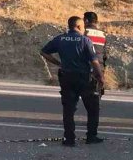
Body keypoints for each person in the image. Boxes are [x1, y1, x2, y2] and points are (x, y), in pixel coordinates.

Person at [39, 16, 105, 146]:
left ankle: (69, 139)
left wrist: (58, 63)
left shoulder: (60, 38)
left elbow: (44, 52)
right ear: (80, 27)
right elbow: (94, 60)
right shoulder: (85, 40)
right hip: (84, 78)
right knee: (92, 108)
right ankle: (91, 136)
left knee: (68, 110)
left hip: (66, 77)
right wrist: (100, 76)